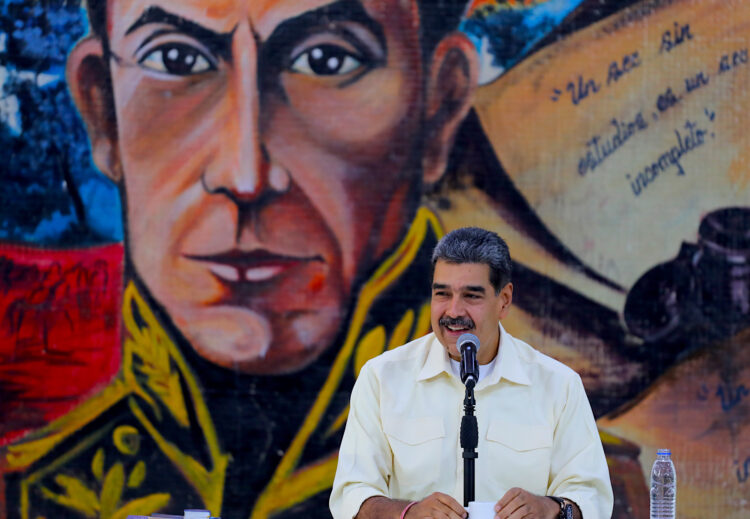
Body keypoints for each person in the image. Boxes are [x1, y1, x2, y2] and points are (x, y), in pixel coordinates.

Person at [1, 1, 482, 518]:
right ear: (103, 113)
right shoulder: (31, 494)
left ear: (438, 107)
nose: (245, 173)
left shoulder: (539, 462)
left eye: (325, 61)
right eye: (176, 61)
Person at [330, 227, 614, 519]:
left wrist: (552, 508)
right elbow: (351, 495)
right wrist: (409, 514)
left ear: (504, 300)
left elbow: (592, 497)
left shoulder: (558, 385)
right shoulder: (382, 378)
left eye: (471, 296)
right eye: (442, 294)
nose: (453, 311)